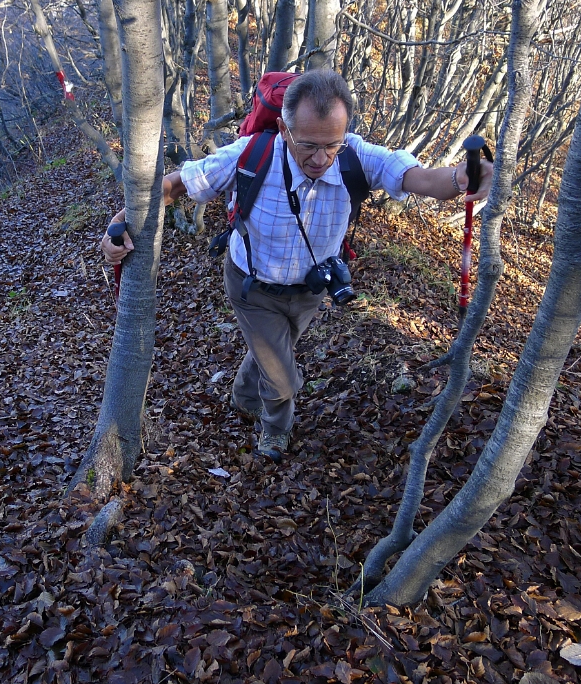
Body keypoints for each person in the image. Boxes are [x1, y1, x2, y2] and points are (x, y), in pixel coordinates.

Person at [101, 69, 492, 461]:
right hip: (250, 285)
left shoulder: (355, 156)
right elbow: (177, 185)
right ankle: (275, 430)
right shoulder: (251, 155)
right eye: (307, 145)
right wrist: (120, 220)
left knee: (273, 349)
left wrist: (460, 179)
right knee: (284, 379)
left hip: (309, 291)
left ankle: (242, 394)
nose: (320, 158)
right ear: (285, 130)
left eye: (331, 145)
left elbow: (419, 179)